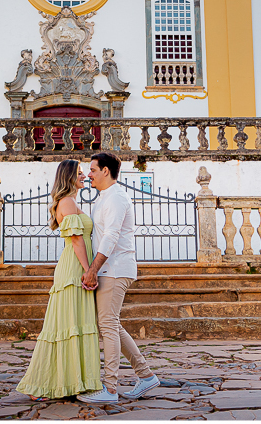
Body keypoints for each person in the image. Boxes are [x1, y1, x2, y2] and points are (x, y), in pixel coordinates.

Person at [16, 159, 103, 400]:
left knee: (74, 324)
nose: (84, 176)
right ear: (69, 176)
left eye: (85, 173)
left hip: (78, 266)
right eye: (80, 173)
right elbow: (76, 240)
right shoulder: (67, 202)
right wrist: (89, 270)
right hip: (75, 268)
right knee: (64, 325)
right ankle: (43, 383)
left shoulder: (71, 201)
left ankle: (74, 381)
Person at [78, 152, 160, 404]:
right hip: (110, 269)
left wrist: (93, 268)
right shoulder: (105, 198)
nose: (89, 174)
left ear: (105, 170)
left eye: (92, 169)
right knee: (112, 324)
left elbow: (111, 236)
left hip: (114, 269)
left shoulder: (116, 197)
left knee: (108, 326)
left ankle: (111, 389)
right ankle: (145, 376)